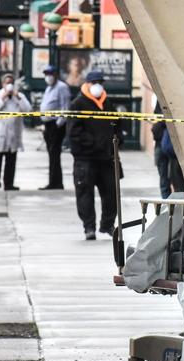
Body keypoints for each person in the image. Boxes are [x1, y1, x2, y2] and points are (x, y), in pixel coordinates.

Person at [67, 71, 121, 240]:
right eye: (94, 82)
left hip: (106, 158)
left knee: (112, 193)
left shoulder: (108, 103)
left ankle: (107, 225)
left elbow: (117, 125)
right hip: (86, 159)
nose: (98, 85)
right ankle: (89, 227)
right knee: (85, 194)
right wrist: (93, 144)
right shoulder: (77, 104)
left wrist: (116, 141)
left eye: (100, 82)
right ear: (87, 84)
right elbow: (73, 133)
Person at [0, 73, 31, 191]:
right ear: (3, 84)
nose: (10, 85)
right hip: (0, 134)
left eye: (11, 82)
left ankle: (9, 184)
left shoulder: (19, 96)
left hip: (14, 135)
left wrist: (18, 97)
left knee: (11, 162)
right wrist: (4, 97)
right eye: (7, 83)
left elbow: (27, 109)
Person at [39, 65, 71, 190]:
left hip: (55, 125)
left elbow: (65, 108)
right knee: (52, 154)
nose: (48, 77)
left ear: (56, 74)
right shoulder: (49, 88)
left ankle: (55, 182)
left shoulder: (62, 87)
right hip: (48, 124)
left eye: (50, 74)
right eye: (46, 74)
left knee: (54, 153)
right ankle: (54, 181)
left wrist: (58, 124)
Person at [151, 103, 171, 198]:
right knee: (164, 180)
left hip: (172, 147)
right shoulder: (160, 100)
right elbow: (157, 116)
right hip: (160, 144)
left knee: (176, 179)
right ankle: (168, 205)